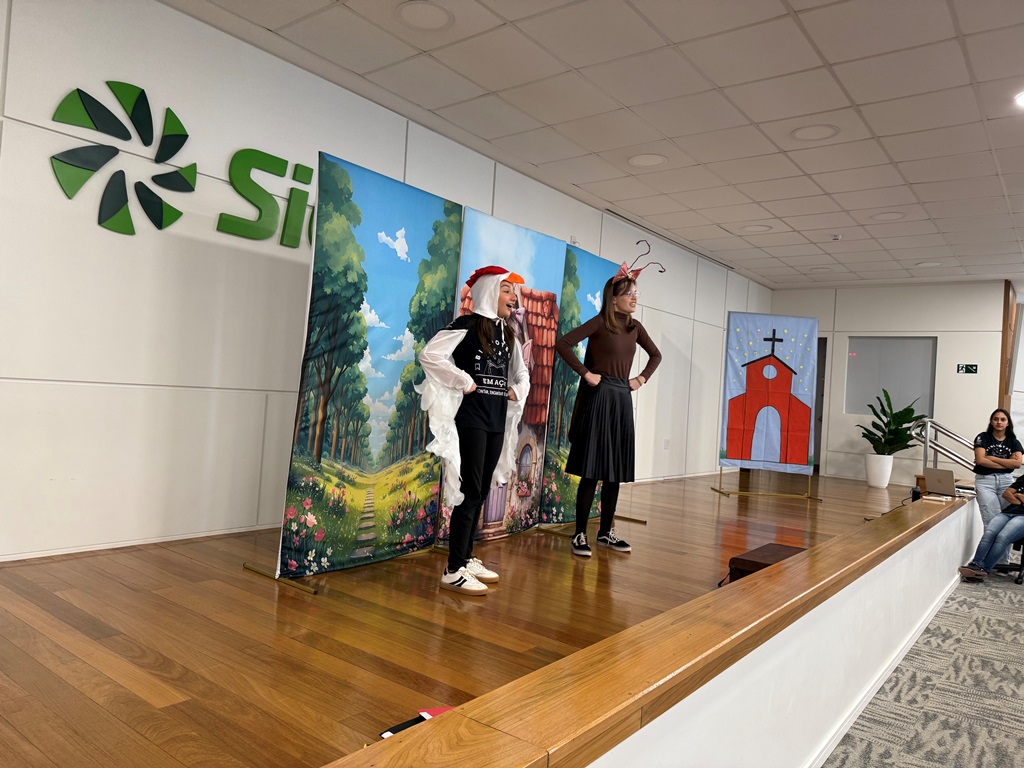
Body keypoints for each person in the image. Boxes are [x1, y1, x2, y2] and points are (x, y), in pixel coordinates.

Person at [417, 266, 530, 595]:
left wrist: (517, 390)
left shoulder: (508, 335)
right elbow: (430, 355)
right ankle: (453, 569)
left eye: (514, 292)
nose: (513, 297)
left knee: (480, 491)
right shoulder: (466, 326)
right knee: (469, 492)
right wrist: (463, 380)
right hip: (471, 421)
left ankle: (465, 558)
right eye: (506, 290)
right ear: (489, 292)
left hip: (495, 422)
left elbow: (521, 374)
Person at [555, 261, 662, 557]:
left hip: (621, 399)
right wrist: (586, 373)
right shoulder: (600, 322)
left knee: (614, 471)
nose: (634, 298)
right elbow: (563, 344)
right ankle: (579, 534)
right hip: (600, 398)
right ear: (613, 299)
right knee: (592, 470)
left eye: (636, 293)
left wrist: (640, 379)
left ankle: (605, 533)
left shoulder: (635, 328)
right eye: (629, 293)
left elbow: (656, 355)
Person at [958, 476, 1024, 581]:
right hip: (1008, 513)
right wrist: (1021, 501)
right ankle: (976, 564)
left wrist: (1017, 495)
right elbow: (1006, 494)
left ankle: (983, 570)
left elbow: (1013, 494)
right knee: (989, 533)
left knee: (1003, 537)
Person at [972, 408, 1022, 529]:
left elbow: (1017, 464)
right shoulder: (983, 437)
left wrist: (991, 458)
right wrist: (1007, 463)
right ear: (991, 422)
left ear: (1008, 423)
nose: (999, 422)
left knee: (1008, 520)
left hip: (1006, 481)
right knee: (991, 521)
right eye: (996, 419)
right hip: (985, 482)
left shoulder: (1013, 441)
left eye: (1003, 419)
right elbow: (980, 460)